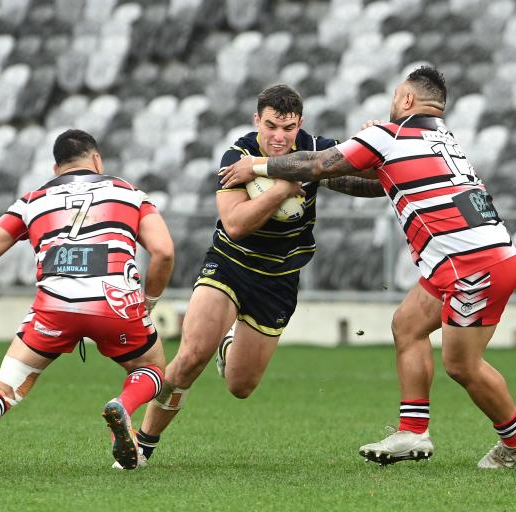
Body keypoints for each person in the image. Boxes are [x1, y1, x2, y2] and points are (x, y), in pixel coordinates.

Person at [220, 66, 516, 469]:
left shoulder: (390, 136)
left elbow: (319, 165)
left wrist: (258, 167)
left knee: (462, 365)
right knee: (407, 325)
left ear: (406, 99)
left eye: (395, 95)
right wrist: (366, 143)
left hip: (468, 264)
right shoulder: (441, 138)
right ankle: (412, 431)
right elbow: (364, 177)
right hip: (484, 254)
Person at [135, 84, 384, 462]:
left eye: (288, 128)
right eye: (271, 126)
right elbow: (234, 224)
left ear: (300, 124)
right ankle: (141, 445)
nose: (279, 137)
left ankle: (228, 343)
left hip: (279, 279)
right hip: (230, 265)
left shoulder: (315, 151)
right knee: (189, 358)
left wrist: (380, 152)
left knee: (241, 386)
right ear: (257, 121)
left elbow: (372, 185)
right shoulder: (237, 156)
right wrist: (282, 188)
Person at [0, 129, 175, 475]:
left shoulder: (33, 200)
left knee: (6, 384)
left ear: (57, 168)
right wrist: (149, 302)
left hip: (55, 306)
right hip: (115, 302)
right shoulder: (129, 192)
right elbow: (163, 252)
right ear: (96, 160)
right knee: (153, 368)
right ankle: (124, 405)